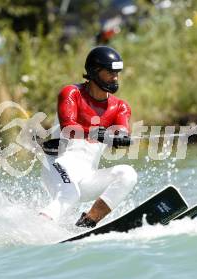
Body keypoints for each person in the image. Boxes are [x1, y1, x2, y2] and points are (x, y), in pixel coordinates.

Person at [39, 46, 138, 228]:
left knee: (128, 174)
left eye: (117, 73)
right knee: (69, 195)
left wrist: (122, 138)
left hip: (87, 178)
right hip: (57, 166)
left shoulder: (120, 107)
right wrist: (100, 133)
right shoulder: (71, 93)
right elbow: (69, 128)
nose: (115, 78)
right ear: (94, 71)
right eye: (109, 72)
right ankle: (34, 229)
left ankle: (86, 224)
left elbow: (122, 131)